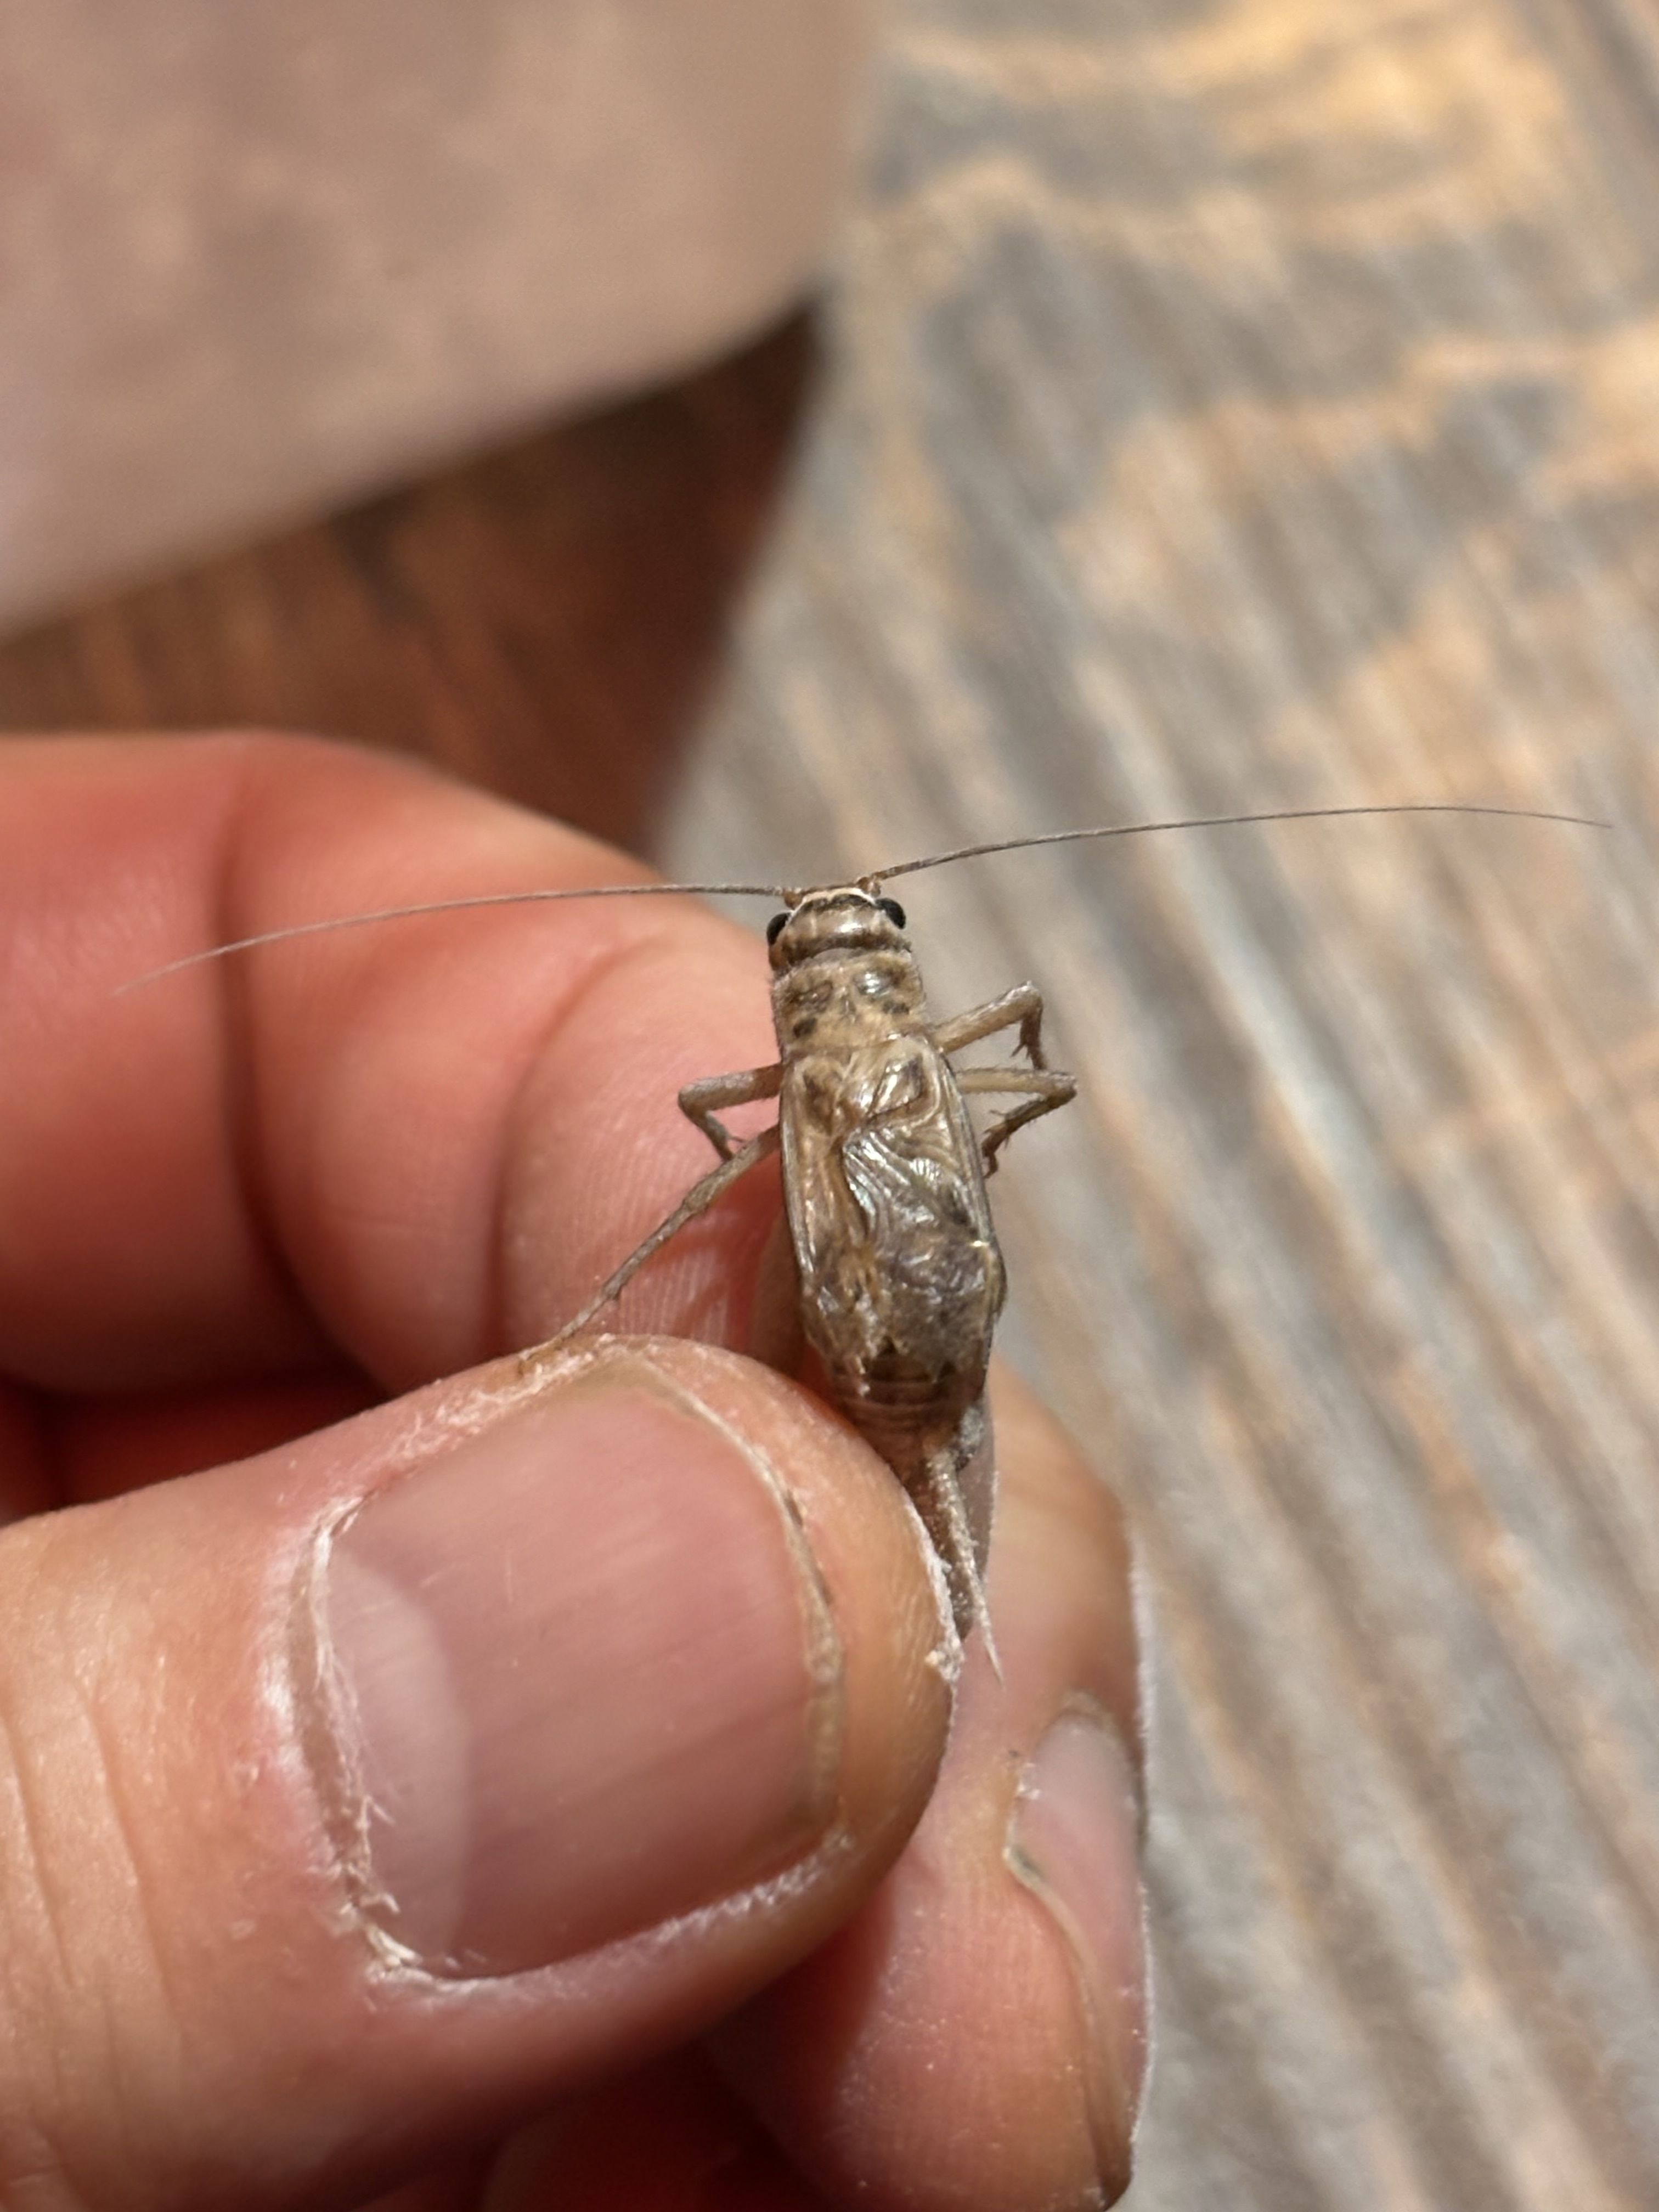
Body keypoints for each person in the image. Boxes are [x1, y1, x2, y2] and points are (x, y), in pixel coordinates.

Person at [0, 731, 1147, 2211]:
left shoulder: (781, 1086)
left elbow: (699, 1117)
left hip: (882, 1288)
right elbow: (1025, 1046)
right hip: (930, 1274)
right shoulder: (934, 1045)